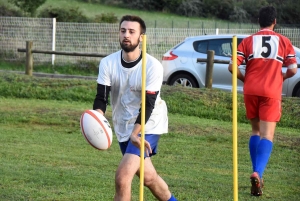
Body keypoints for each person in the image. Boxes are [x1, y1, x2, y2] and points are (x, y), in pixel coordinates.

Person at [93, 15, 177, 201]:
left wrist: (136, 133)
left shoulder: (152, 66)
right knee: (149, 178)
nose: (126, 35)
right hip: (123, 126)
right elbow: (101, 98)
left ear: (141, 37)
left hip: (149, 124)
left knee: (123, 178)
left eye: (132, 32)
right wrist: (96, 120)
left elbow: (149, 104)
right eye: (123, 31)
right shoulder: (107, 63)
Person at [228, 6, 297, 196]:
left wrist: (246, 79)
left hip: (251, 90)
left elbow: (232, 66)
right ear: (275, 22)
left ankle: (257, 173)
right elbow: (292, 69)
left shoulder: (248, 41)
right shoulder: (283, 41)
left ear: (258, 22)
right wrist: (279, 77)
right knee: (267, 135)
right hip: (271, 91)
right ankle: (258, 172)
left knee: (255, 131)